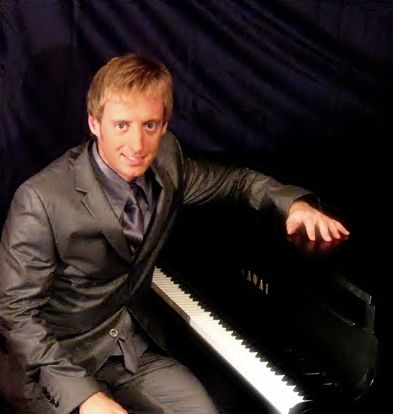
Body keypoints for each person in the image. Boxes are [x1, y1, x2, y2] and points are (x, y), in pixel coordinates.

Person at [0, 53, 349, 414]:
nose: (137, 145)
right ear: (94, 123)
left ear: (164, 126)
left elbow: (236, 182)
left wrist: (292, 204)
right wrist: (85, 398)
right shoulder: (40, 199)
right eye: (122, 125)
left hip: (128, 350)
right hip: (53, 365)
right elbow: (16, 315)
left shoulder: (167, 162)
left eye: (149, 125)